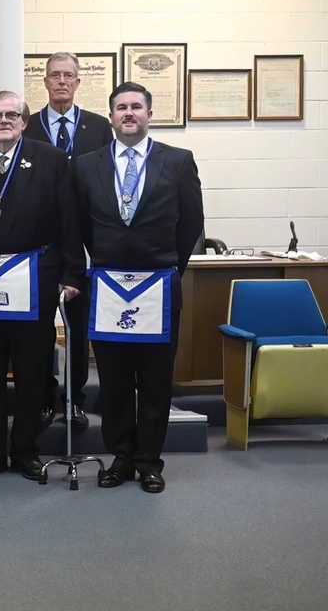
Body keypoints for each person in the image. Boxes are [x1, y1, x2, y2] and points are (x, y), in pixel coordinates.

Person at [0, 91, 85, 482]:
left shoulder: (52, 160)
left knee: (31, 369)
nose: (4, 121)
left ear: (24, 121)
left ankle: (25, 450)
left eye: (12, 115)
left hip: (34, 278)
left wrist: (72, 273)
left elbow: (70, 220)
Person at [74, 81, 204, 493]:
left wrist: (169, 267)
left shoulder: (178, 160)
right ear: (111, 116)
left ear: (150, 114)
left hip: (158, 287)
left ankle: (149, 461)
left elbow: (192, 222)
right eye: (121, 107)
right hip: (108, 286)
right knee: (113, 381)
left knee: (154, 382)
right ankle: (121, 458)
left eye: (136, 106)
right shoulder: (87, 164)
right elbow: (80, 224)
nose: (128, 113)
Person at [22, 52, 114, 428]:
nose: (61, 81)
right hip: (42, 236)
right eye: (55, 75)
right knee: (40, 325)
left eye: (68, 76)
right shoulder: (29, 125)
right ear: (44, 82)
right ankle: (44, 398)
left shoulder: (98, 126)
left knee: (78, 325)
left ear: (78, 83)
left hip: (86, 237)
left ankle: (74, 399)